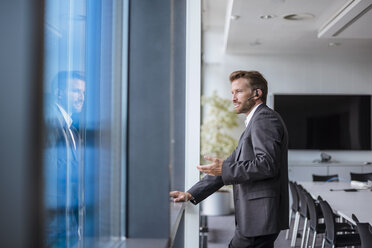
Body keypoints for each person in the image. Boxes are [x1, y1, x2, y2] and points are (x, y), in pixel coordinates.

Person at [170, 70, 289, 248]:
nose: (233, 98)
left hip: (259, 218)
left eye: (239, 92)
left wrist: (224, 169)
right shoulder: (254, 122)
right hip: (256, 218)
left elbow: (267, 164)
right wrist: (191, 194)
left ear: (257, 93)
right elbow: (227, 168)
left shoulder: (264, 119)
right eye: (232, 93)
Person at [44, 71, 86, 247]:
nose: (81, 97)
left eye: (83, 92)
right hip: (52, 225)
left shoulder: (72, 130)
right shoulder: (49, 122)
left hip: (67, 225)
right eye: (76, 91)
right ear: (59, 93)